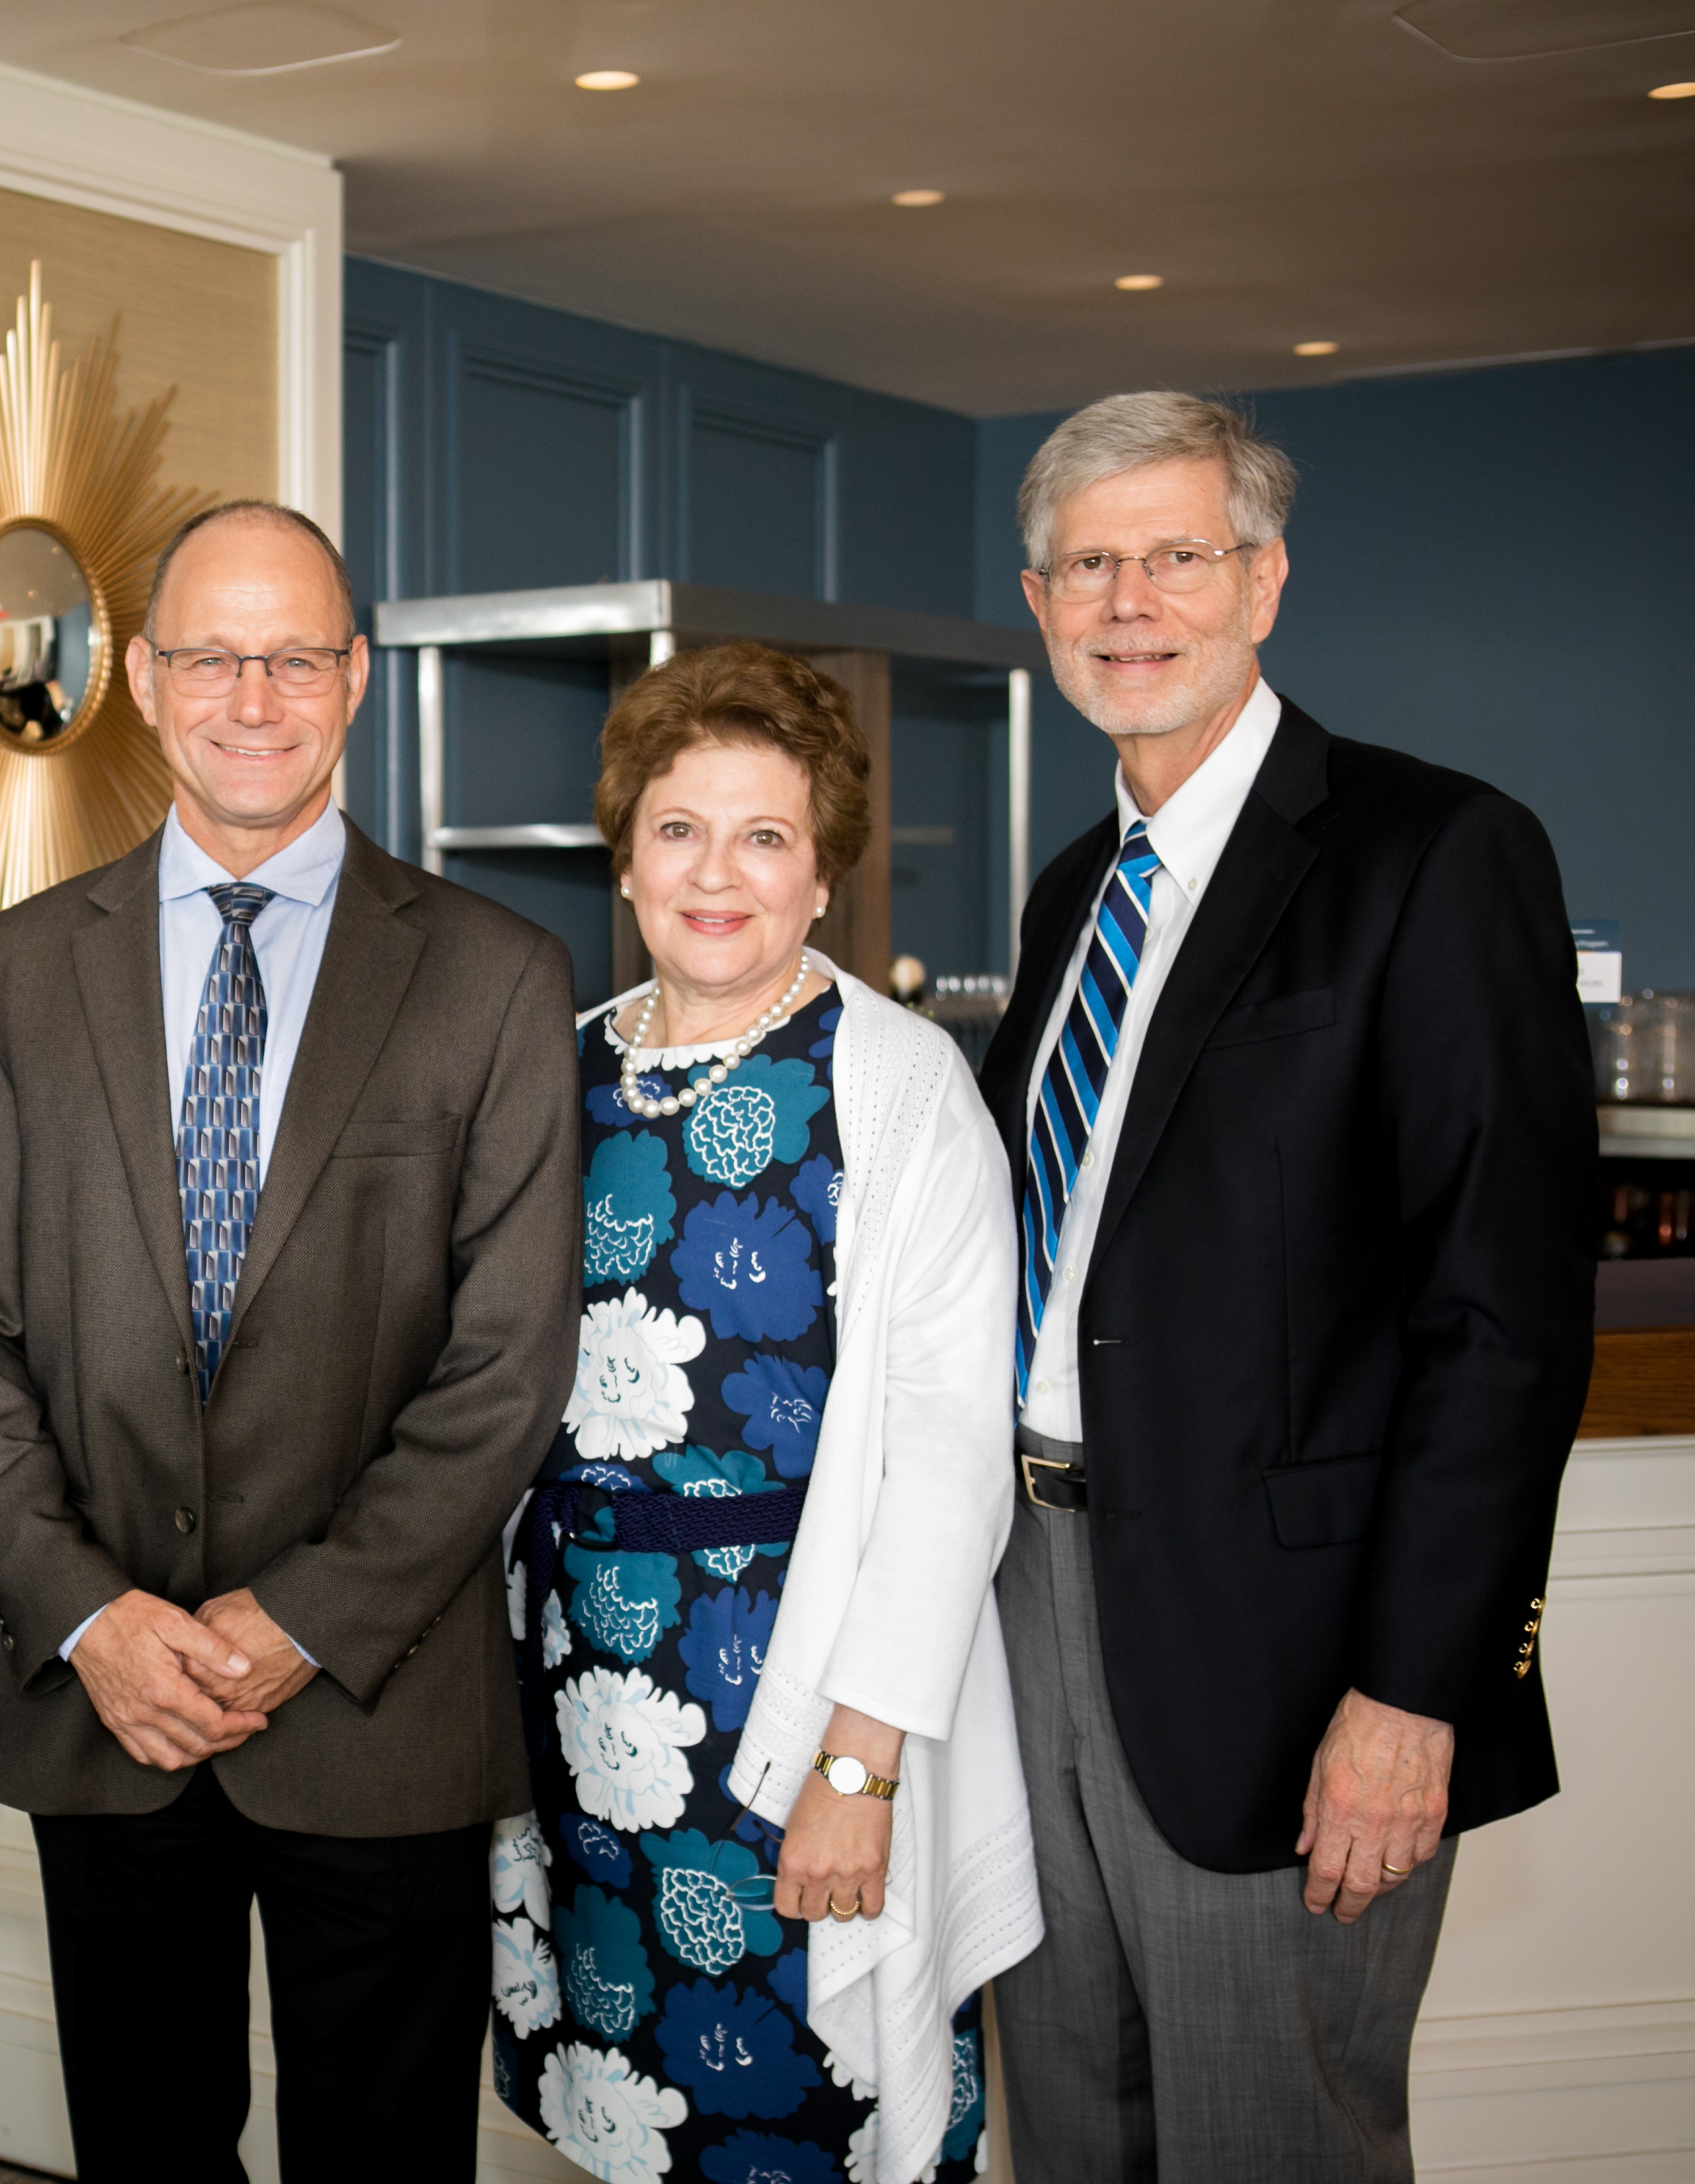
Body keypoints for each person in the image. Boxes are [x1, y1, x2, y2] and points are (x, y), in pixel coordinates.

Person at [0, 501, 580, 2181]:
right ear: (143, 677)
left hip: (380, 1699)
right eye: (213, 654)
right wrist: (90, 1617)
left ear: (354, 678)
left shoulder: (495, 977)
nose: (252, 695)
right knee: (145, 2152)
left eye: (294, 656)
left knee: (388, 2161)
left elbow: (506, 1365)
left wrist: (301, 1622)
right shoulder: (7, 977)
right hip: (110, 1704)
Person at [981, 392, 1594, 2181]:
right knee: (1076, 2130)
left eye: (1175, 554)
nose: (1129, 599)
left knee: (1275, 2144)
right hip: (1025, 1595)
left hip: (1289, 1650)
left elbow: (1503, 1320)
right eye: (1089, 564)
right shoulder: (1068, 895)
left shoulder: (1434, 853)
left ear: (1264, 580)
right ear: (1038, 601)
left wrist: (1420, 1691)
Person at [487, 642, 1039, 2184]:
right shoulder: (560, 1068)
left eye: (764, 837)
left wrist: (858, 1772)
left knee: (800, 2101)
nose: (714, 874)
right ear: (628, 852)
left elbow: (943, 1456)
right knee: (628, 2112)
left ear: (822, 872)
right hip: (579, 1694)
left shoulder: (902, 1088)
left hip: (794, 1699)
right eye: (679, 829)